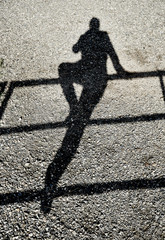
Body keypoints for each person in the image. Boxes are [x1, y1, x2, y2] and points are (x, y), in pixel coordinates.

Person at [59, 17, 127, 116]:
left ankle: (73, 105)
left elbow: (75, 49)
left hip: (85, 72)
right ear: (98, 26)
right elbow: (112, 54)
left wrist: (83, 38)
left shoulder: (85, 36)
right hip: (98, 75)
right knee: (85, 109)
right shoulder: (103, 36)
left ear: (90, 26)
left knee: (63, 68)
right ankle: (75, 108)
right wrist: (119, 70)